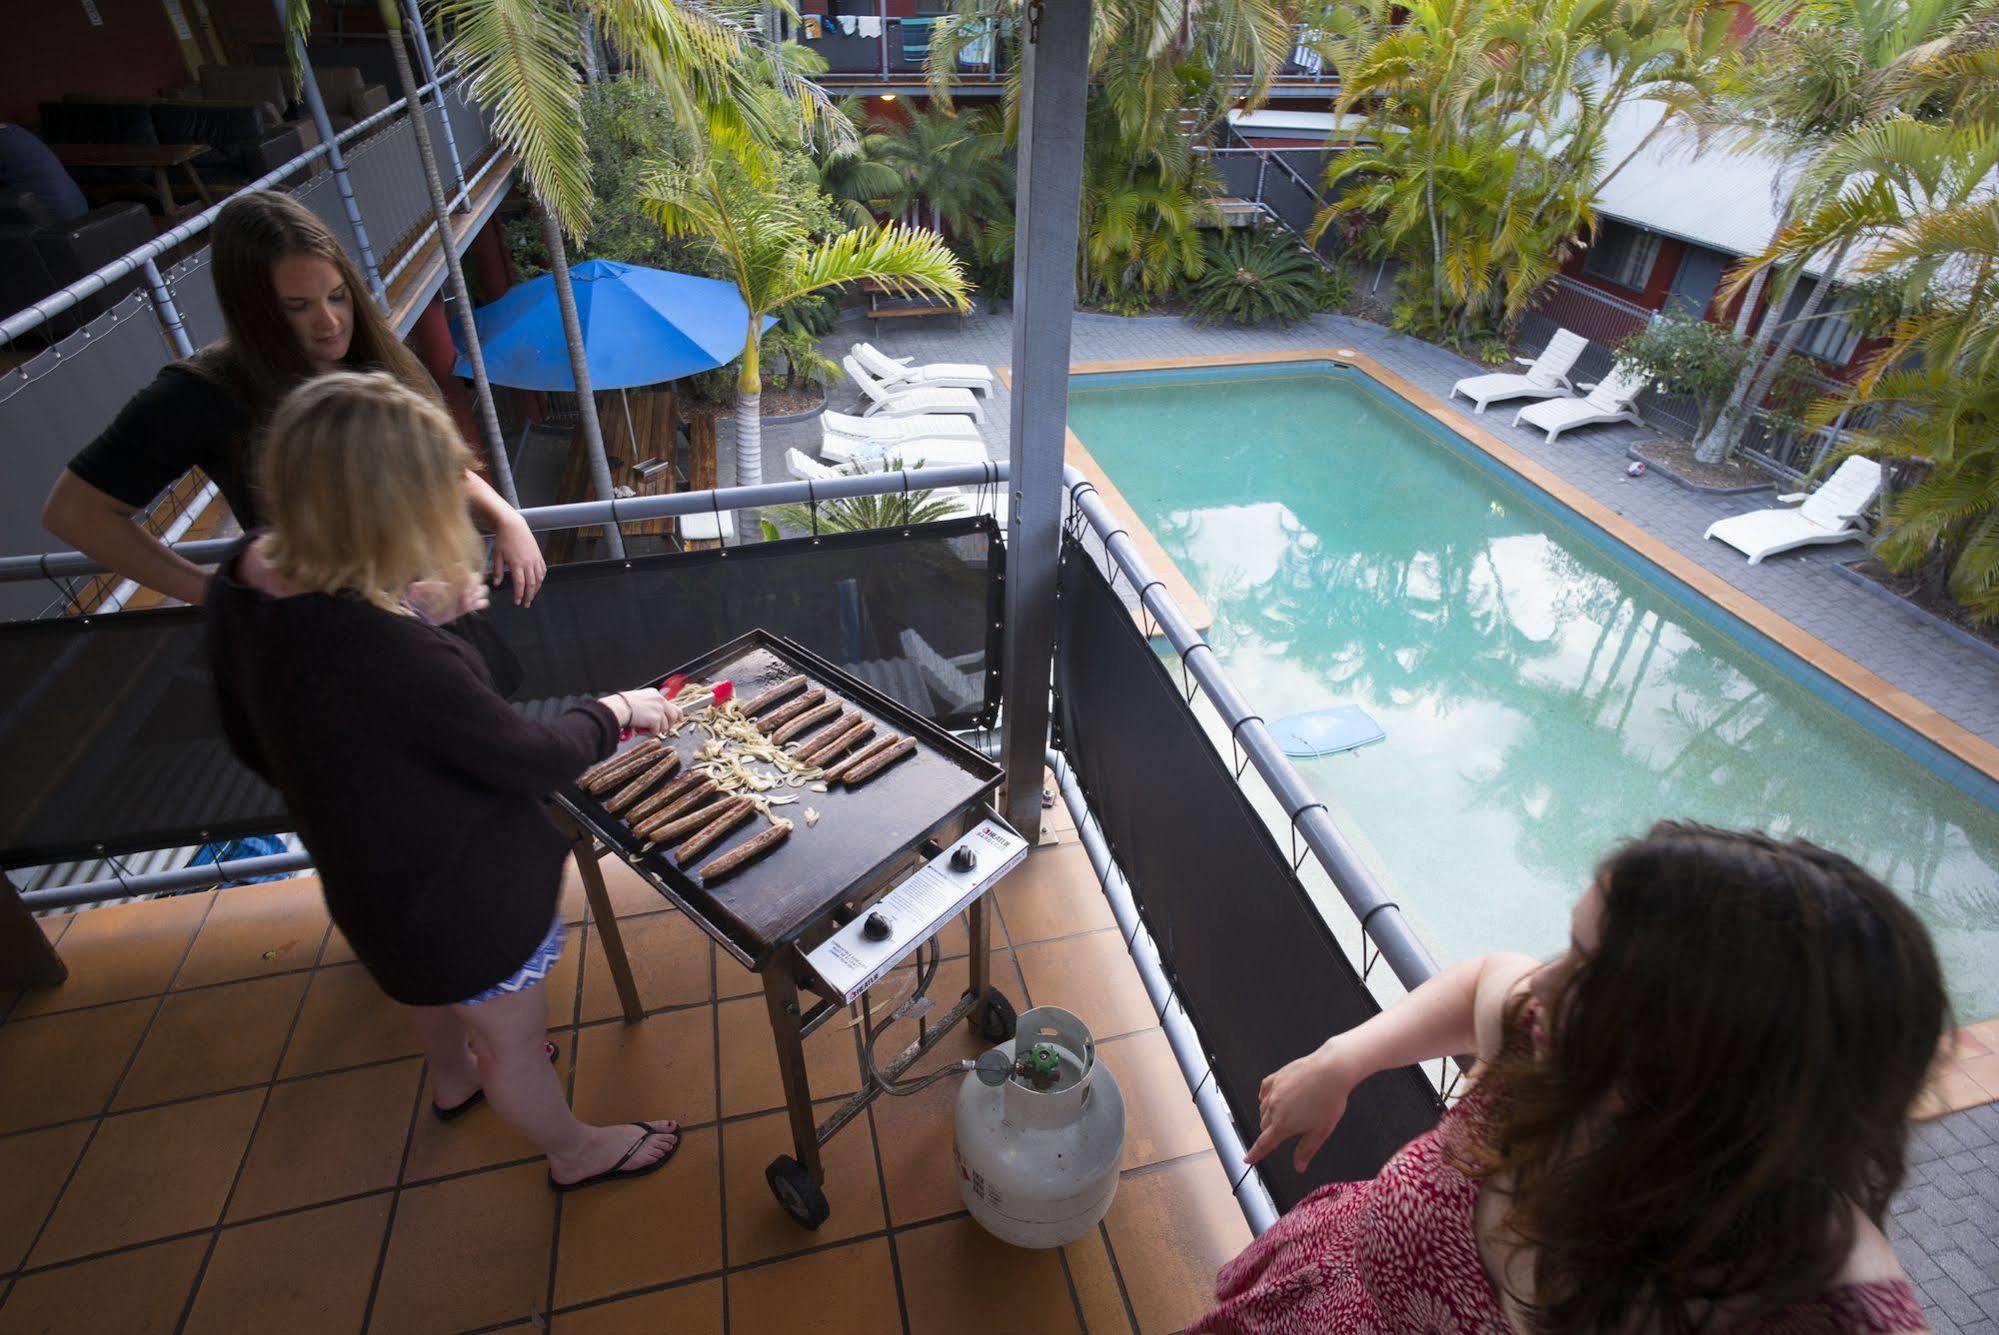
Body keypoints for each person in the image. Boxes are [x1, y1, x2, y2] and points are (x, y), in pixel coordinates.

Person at [206, 370, 676, 1190]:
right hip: (463, 899)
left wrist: (417, 614)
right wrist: (615, 709)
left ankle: (455, 1079)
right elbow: (528, 756)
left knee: (433, 997)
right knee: (515, 1044)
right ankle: (574, 1149)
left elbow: (257, 740)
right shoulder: (383, 648)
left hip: (369, 884)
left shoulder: (243, 573)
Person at [1195, 822, 1945, 1334]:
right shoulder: (1550, 1041)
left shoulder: (1824, 1309)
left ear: (1706, 1063)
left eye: (1590, 972)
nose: (1545, 983)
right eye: (1571, 945)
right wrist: (1342, 1058)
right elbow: (1485, 979)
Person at [43, 188, 544, 608]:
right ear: (252, 310)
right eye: (298, 307)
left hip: (428, 611)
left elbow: (438, 463)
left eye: (337, 295)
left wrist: (505, 517)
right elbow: (73, 511)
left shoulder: (377, 354)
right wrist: (215, 593)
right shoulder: (202, 391)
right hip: (329, 638)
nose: (328, 323)